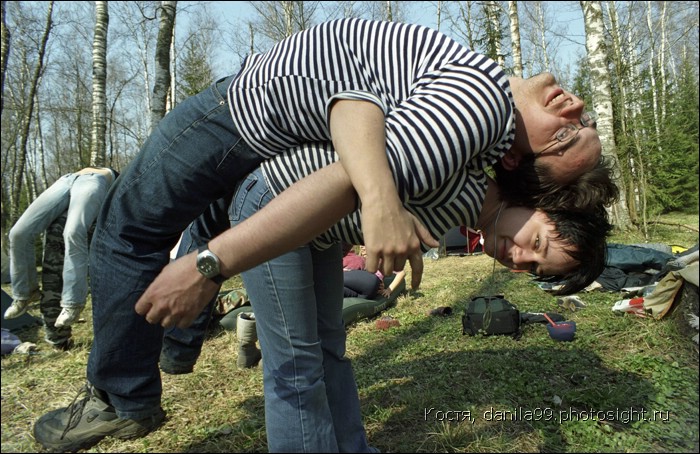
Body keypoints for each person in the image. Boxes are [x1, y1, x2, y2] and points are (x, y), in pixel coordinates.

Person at [33, 18, 617, 452]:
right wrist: (381, 205)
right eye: (577, 130)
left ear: (516, 163)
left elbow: (353, 125)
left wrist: (378, 216)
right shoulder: (477, 109)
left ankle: (129, 392)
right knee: (291, 352)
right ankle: (139, 381)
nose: (578, 107)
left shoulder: (474, 133)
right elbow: (353, 114)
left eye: (528, 266)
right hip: (252, 126)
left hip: (258, 136)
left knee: (302, 354)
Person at [4, 167, 117, 328]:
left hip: (95, 179)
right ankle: (24, 293)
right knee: (18, 233)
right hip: (67, 178)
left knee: (73, 232)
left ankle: (73, 303)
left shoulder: (113, 181)